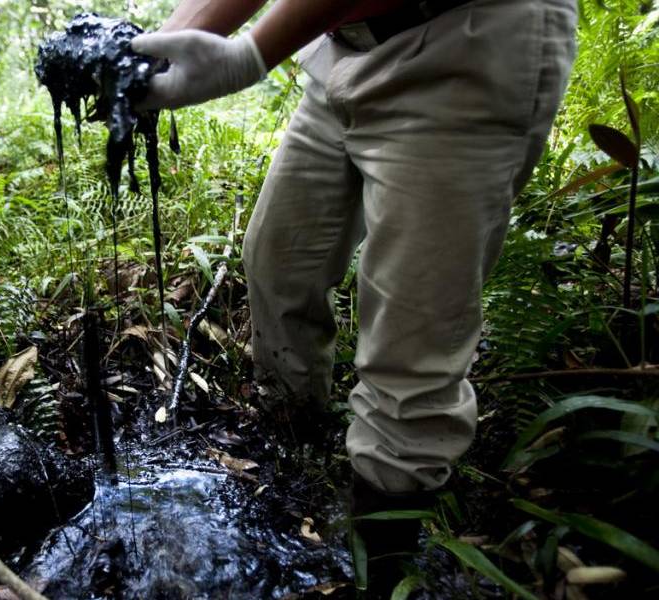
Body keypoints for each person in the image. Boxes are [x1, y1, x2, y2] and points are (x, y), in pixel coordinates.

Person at [132, 0, 577, 594]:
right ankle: (296, 453)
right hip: (346, 45)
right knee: (279, 262)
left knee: (411, 338)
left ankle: (382, 566)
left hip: (465, 42)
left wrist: (253, 53)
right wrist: (155, 50)